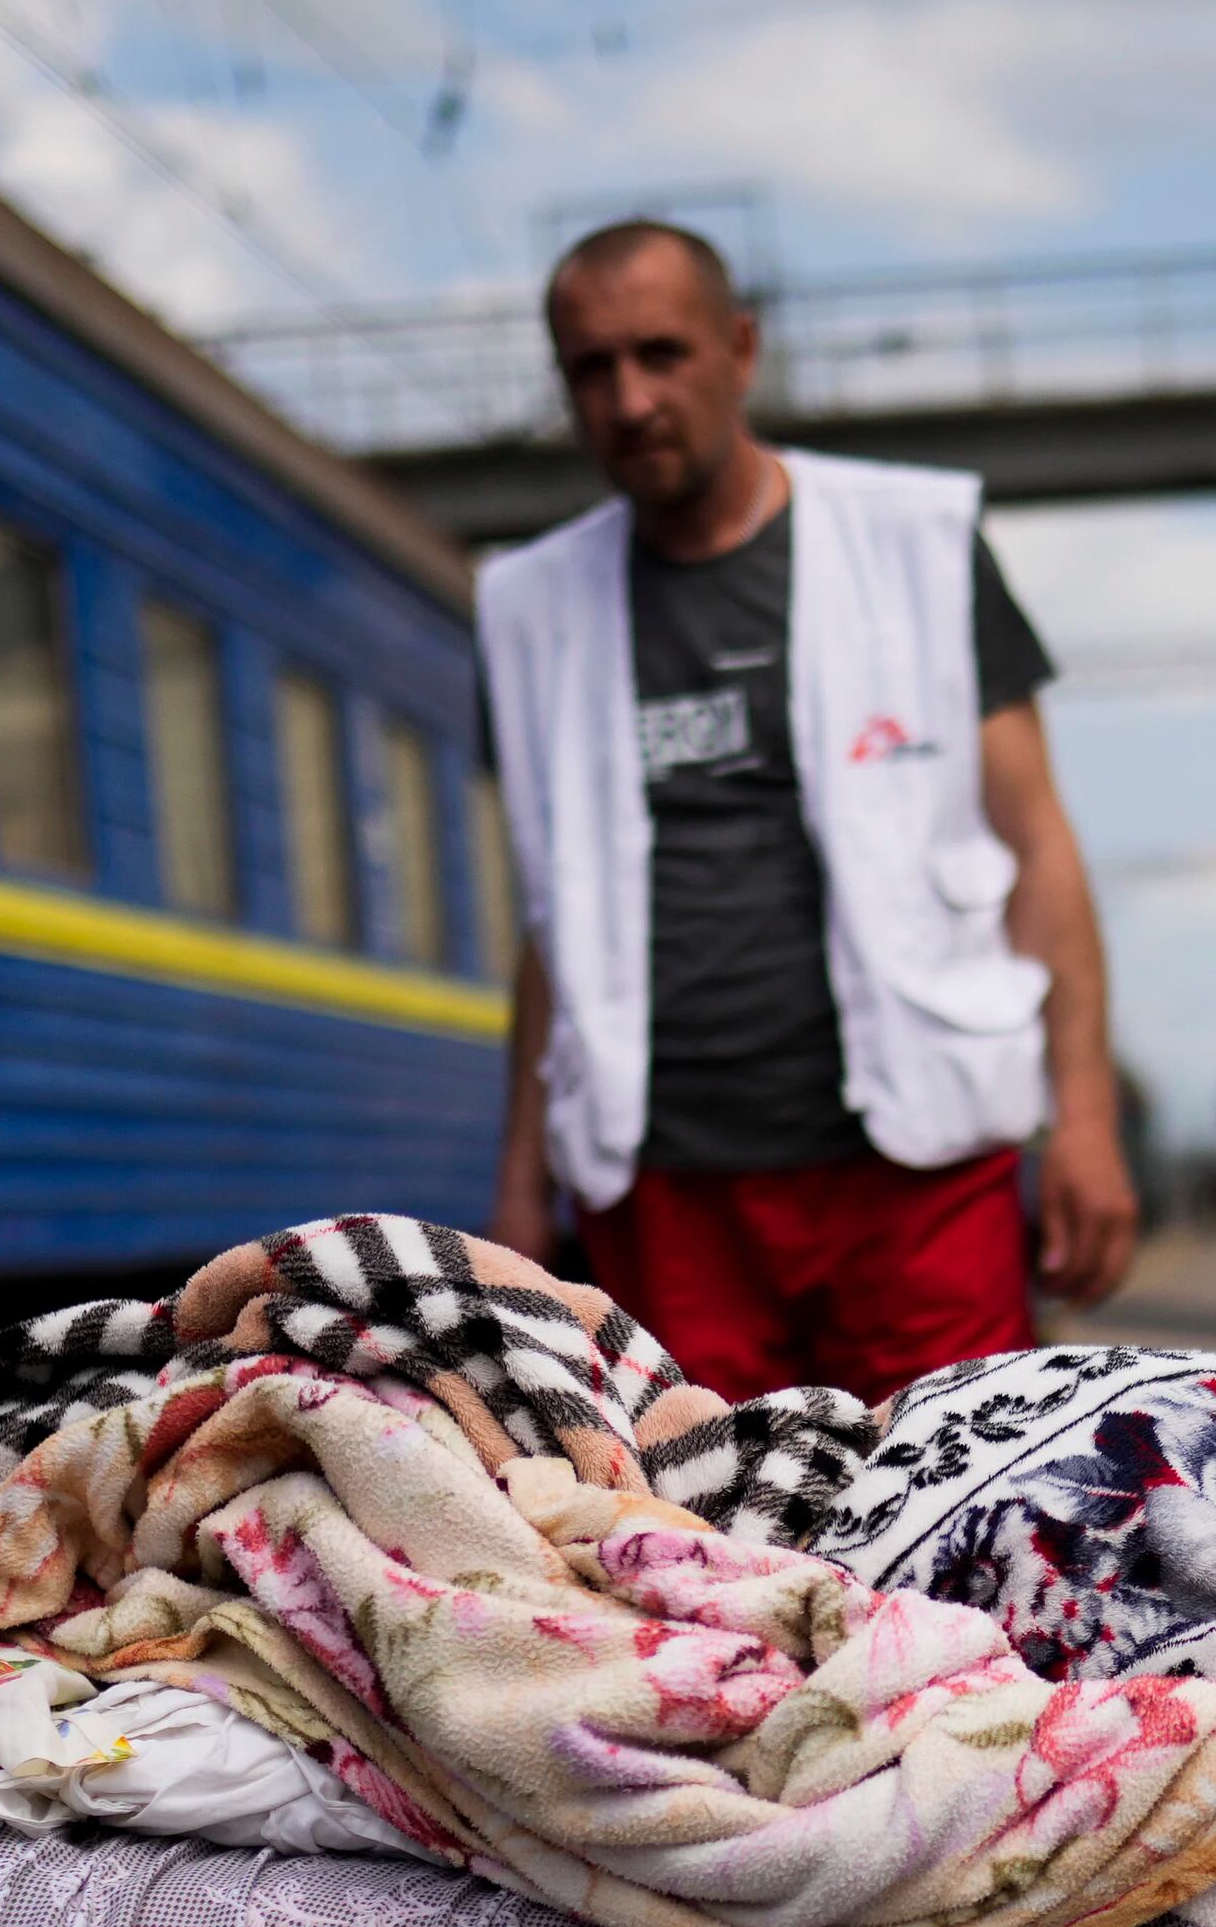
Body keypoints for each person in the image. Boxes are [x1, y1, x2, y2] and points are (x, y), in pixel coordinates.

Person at [478, 219, 1133, 1405]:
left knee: (948, 1510)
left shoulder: (913, 546)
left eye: (661, 354)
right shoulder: (527, 609)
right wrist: (520, 1182)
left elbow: (1038, 844)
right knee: (719, 1539)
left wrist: (1082, 1120)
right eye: (591, 368)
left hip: (914, 1171)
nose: (629, 400)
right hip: (666, 1195)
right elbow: (550, 914)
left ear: (739, 349)